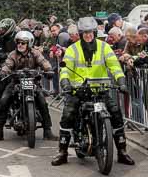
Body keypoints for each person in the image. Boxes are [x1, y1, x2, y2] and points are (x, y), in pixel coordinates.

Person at [52, 17, 134, 167]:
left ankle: (122, 152)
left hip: (100, 90)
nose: (88, 35)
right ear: (81, 33)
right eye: (85, 33)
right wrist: (65, 84)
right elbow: (65, 69)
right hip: (79, 91)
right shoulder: (72, 49)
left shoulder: (105, 47)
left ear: (95, 32)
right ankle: (62, 152)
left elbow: (114, 67)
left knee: (116, 113)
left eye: (91, 32)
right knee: (68, 114)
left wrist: (121, 82)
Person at [0, 30, 57, 142]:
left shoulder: (35, 53)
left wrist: (48, 70)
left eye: (23, 43)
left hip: (33, 82)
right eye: (18, 42)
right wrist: (3, 71)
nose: (20, 45)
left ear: (29, 44)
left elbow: (43, 61)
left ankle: (47, 131)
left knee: (42, 102)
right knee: (4, 100)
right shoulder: (13, 54)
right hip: (16, 82)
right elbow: (8, 64)